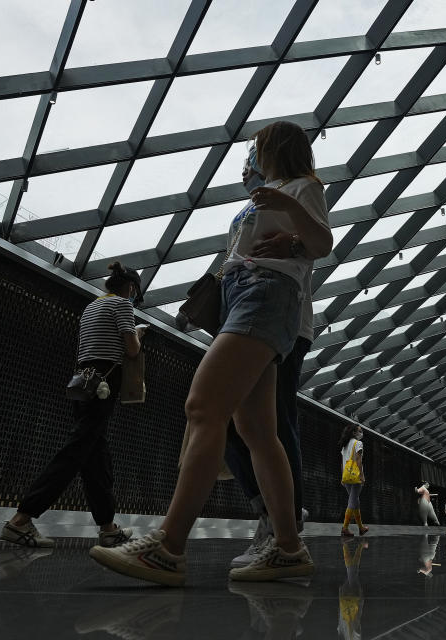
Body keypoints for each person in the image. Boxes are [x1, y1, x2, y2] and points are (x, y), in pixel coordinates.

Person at [90, 121, 332, 585]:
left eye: (258, 146)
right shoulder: (268, 191)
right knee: (256, 427)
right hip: (246, 295)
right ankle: (287, 547)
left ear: (276, 148)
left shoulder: (302, 187)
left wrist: (289, 219)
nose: (252, 154)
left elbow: (321, 244)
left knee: (203, 407)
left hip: (266, 295)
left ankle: (167, 547)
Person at [0, 262, 144, 549]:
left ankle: (108, 527)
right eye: (135, 293)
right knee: (76, 450)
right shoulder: (122, 306)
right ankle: (21, 519)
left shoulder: (92, 306)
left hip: (83, 381)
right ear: (130, 288)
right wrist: (139, 334)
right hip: (105, 382)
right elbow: (131, 349)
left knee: (95, 456)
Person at [224, 155, 318, 568]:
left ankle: (286, 526)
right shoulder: (251, 206)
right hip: (242, 313)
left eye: (253, 159)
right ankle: (271, 516)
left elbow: (316, 243)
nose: (246, 169)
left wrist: (293, 243)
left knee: (275, 421)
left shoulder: (299, 189)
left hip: (284, 321)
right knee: (235, 421)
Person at [339, 424, 369, 537]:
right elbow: (358, 460)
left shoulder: (345, 446)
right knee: (352, 502)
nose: (361, 433)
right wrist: (361, 475)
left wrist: (342, 477)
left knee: (355, 502)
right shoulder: (358, 443)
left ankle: (361, 528)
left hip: (346, 477)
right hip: (355, 477)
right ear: (354, 433)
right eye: (360, 431)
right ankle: (345, 528)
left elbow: (342, 462)